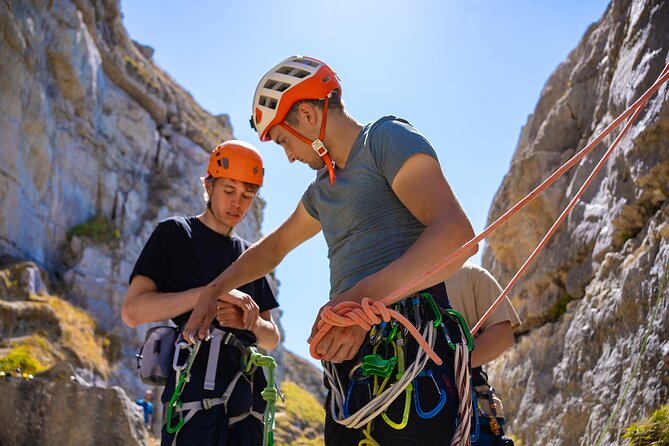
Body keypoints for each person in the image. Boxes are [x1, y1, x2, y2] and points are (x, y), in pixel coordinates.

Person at [185, 55, 478, 445]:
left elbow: (456, 236)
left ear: (307, 114)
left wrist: (359, 300)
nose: (288, 156)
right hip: (351, 365)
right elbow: (273, 248)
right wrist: (212, 290)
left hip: (412, 352)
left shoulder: (384, 140)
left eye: (284, 140)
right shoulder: (323, 189)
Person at [121, 140, 280, 446]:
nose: (237, 203)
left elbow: (271, 337)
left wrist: (247, 322)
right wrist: (211, 294)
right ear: (209, 185)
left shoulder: (250, 256)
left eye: (247, 196)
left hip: (247, 401)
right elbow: (133, 311)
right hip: (194, 395)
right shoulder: (176, 234)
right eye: (229, 191)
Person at [445, 262, 521, 445]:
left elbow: (502, 335)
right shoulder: (469, 273)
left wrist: (449, 367)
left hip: (466, 408)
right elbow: (502, 335)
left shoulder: (469, 273)